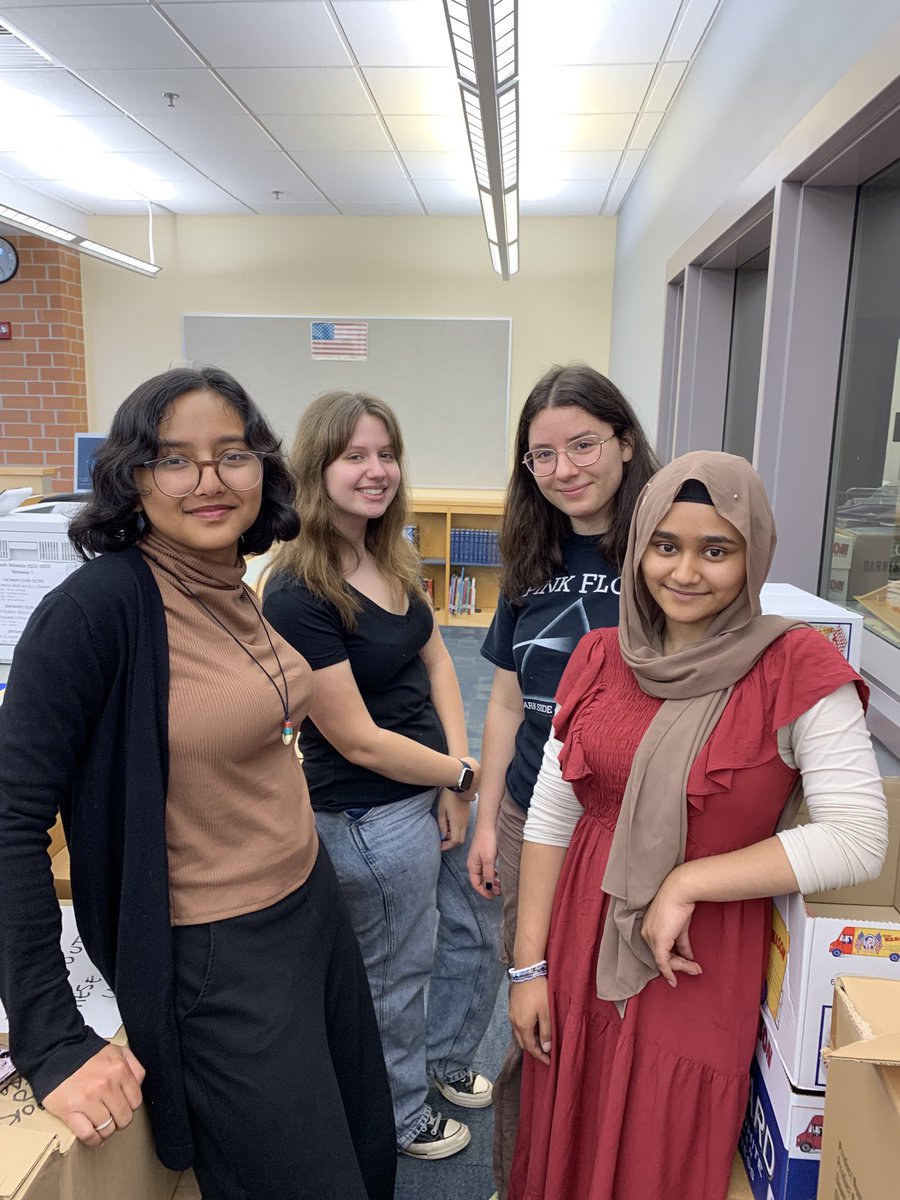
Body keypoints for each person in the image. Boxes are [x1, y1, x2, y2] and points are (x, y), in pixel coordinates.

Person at [0, 367, 396, 1200]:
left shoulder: (232, 581)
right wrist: (53, 1041)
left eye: (232, 455)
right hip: (215, 952)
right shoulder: (96, 612)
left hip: (307, 907)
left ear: (264, 469)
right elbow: (8, 822)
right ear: (133, 478)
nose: (210, 481)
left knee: (364, 1146)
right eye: (174, 459)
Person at [507, 451, 889, 1200]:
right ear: (640, 546)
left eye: (716, 550)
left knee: (661, 1144)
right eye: (666, 546)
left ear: (753, 557)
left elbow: (857, 837)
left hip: (695, 957)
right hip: (581, 934)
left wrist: (690, 880)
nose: (685, 572)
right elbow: (553, 815)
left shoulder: (795, 668)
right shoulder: (599, 656)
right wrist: (528, 970)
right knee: (569, 1121)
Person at [263, 390, 503, 1161]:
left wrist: (453, 778)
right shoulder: (298, 588)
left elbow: (437, 658)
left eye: (386, 453)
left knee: (471, 931)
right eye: (354, 456)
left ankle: (440, 1058)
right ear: (317, 467)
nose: (376, 471)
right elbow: (357, 739)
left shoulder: (388, 553)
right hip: (369, 816)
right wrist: (461, 777)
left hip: (431, 787)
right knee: (396, 974)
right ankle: (397, 1112)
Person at [465, 363, 659, 1198]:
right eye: (541, 455)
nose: (564, 469)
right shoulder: (532, 556)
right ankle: (533, 1162)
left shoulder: (668, 547)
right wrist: (484, 819)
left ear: (623, 441)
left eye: (582, 444)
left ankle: (609, 1158)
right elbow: (506, 699)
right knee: (532, 988)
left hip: (631, 819)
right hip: (530, 813)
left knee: (623, 999)